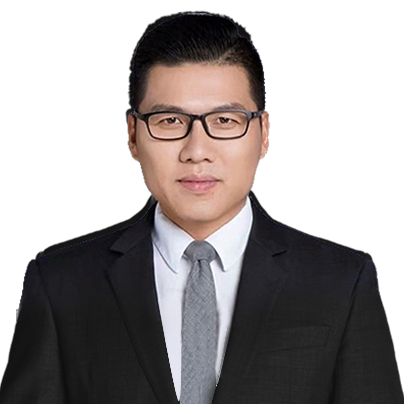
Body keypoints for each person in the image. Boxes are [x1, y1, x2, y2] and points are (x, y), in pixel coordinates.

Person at [1, 11, 402, 404]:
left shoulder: (341, 283)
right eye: (170, 121)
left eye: (225, 120)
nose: (197, 151)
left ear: (263, 134)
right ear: (133, 135)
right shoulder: (61, 285)